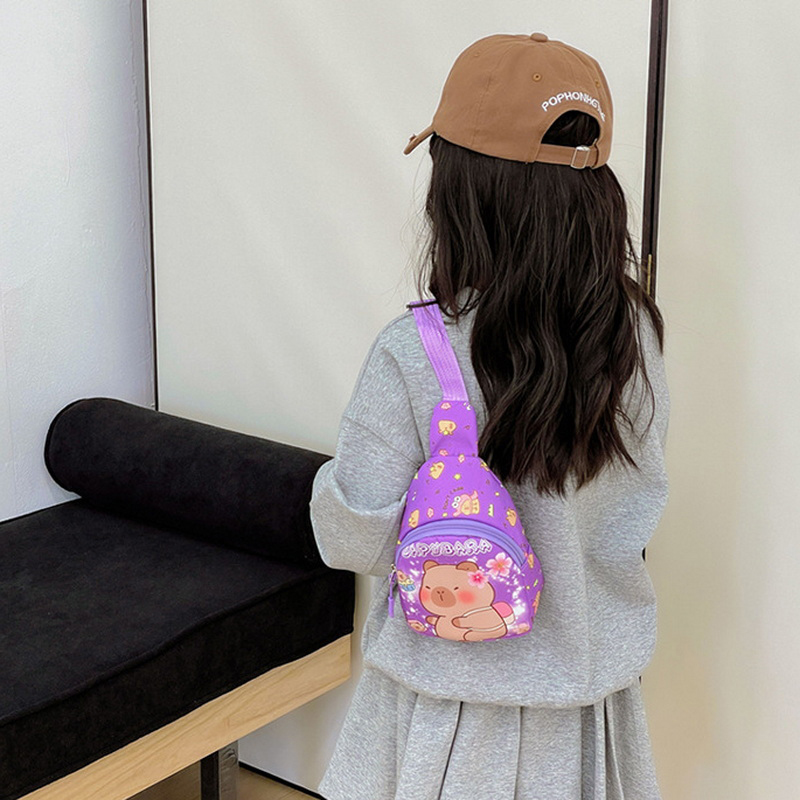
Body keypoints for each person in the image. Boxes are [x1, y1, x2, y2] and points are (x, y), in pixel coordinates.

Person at [309, 31, 668, 800]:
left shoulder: (414, 351)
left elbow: (354, 536)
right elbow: (635, 509)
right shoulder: (633, 336)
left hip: (444, 710)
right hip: (587, 706)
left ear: (461, 192)